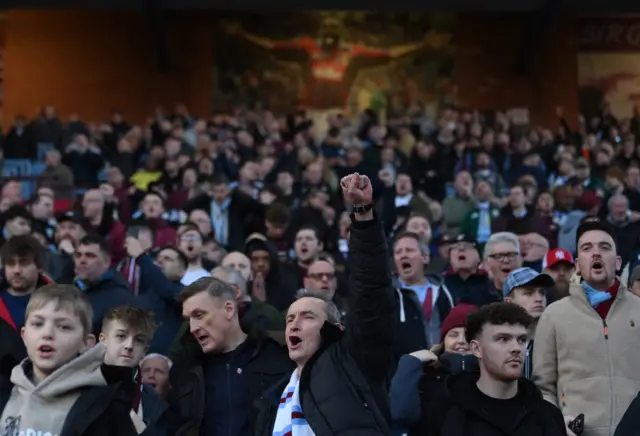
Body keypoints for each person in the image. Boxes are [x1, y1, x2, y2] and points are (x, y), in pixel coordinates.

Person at [255, 172, 396, 435]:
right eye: (289, 319)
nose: (293, 325)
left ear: (334, 328)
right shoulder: (272, 396)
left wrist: (362, 214)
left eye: (307, 316)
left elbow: (371, 291)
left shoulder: (352, 362)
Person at [534, 217, 640, 436]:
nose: (596, 253)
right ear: (577, 264)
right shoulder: (553, 315)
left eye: (604, 247)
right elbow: (543, 388)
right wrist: (557, 425)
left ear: (618, 262)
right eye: (586, 248)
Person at [0, 284, 138, 436]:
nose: (47, 333)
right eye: (38, 324)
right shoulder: (5, 392)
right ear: (24, 335)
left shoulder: (105, 407)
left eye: (64, 327)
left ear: (86, 343)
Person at [167, 276, 293, 435]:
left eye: (199, 315)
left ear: (229, 309)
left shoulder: (277, 353)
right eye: (188, 319)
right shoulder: (186, 370)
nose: (192, 328)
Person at [424, 302, 568, 435]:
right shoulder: (443, 413)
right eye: (503, 339)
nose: (516, 348)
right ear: (476, 348)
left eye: (522, 340)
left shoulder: (547, 415)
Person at [390, 303, 479, 436]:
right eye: (454, 335)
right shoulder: (424, 373)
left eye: (469, 335)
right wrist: (410, 363)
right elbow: (401, 414)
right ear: (443, 341)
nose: (461, 341)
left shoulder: (493, 375)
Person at [100, 305, 167, 436]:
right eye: (121, 336)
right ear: (103, 340)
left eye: (139, 340)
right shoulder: (79, 386)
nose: (129, 346)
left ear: (145, 351)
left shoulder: (155, 403)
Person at [503, 267, 554, 379]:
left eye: (542, 292)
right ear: (508, 302)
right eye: (528, 293)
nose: (539, 298)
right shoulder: (498, 344)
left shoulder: (555, 340)